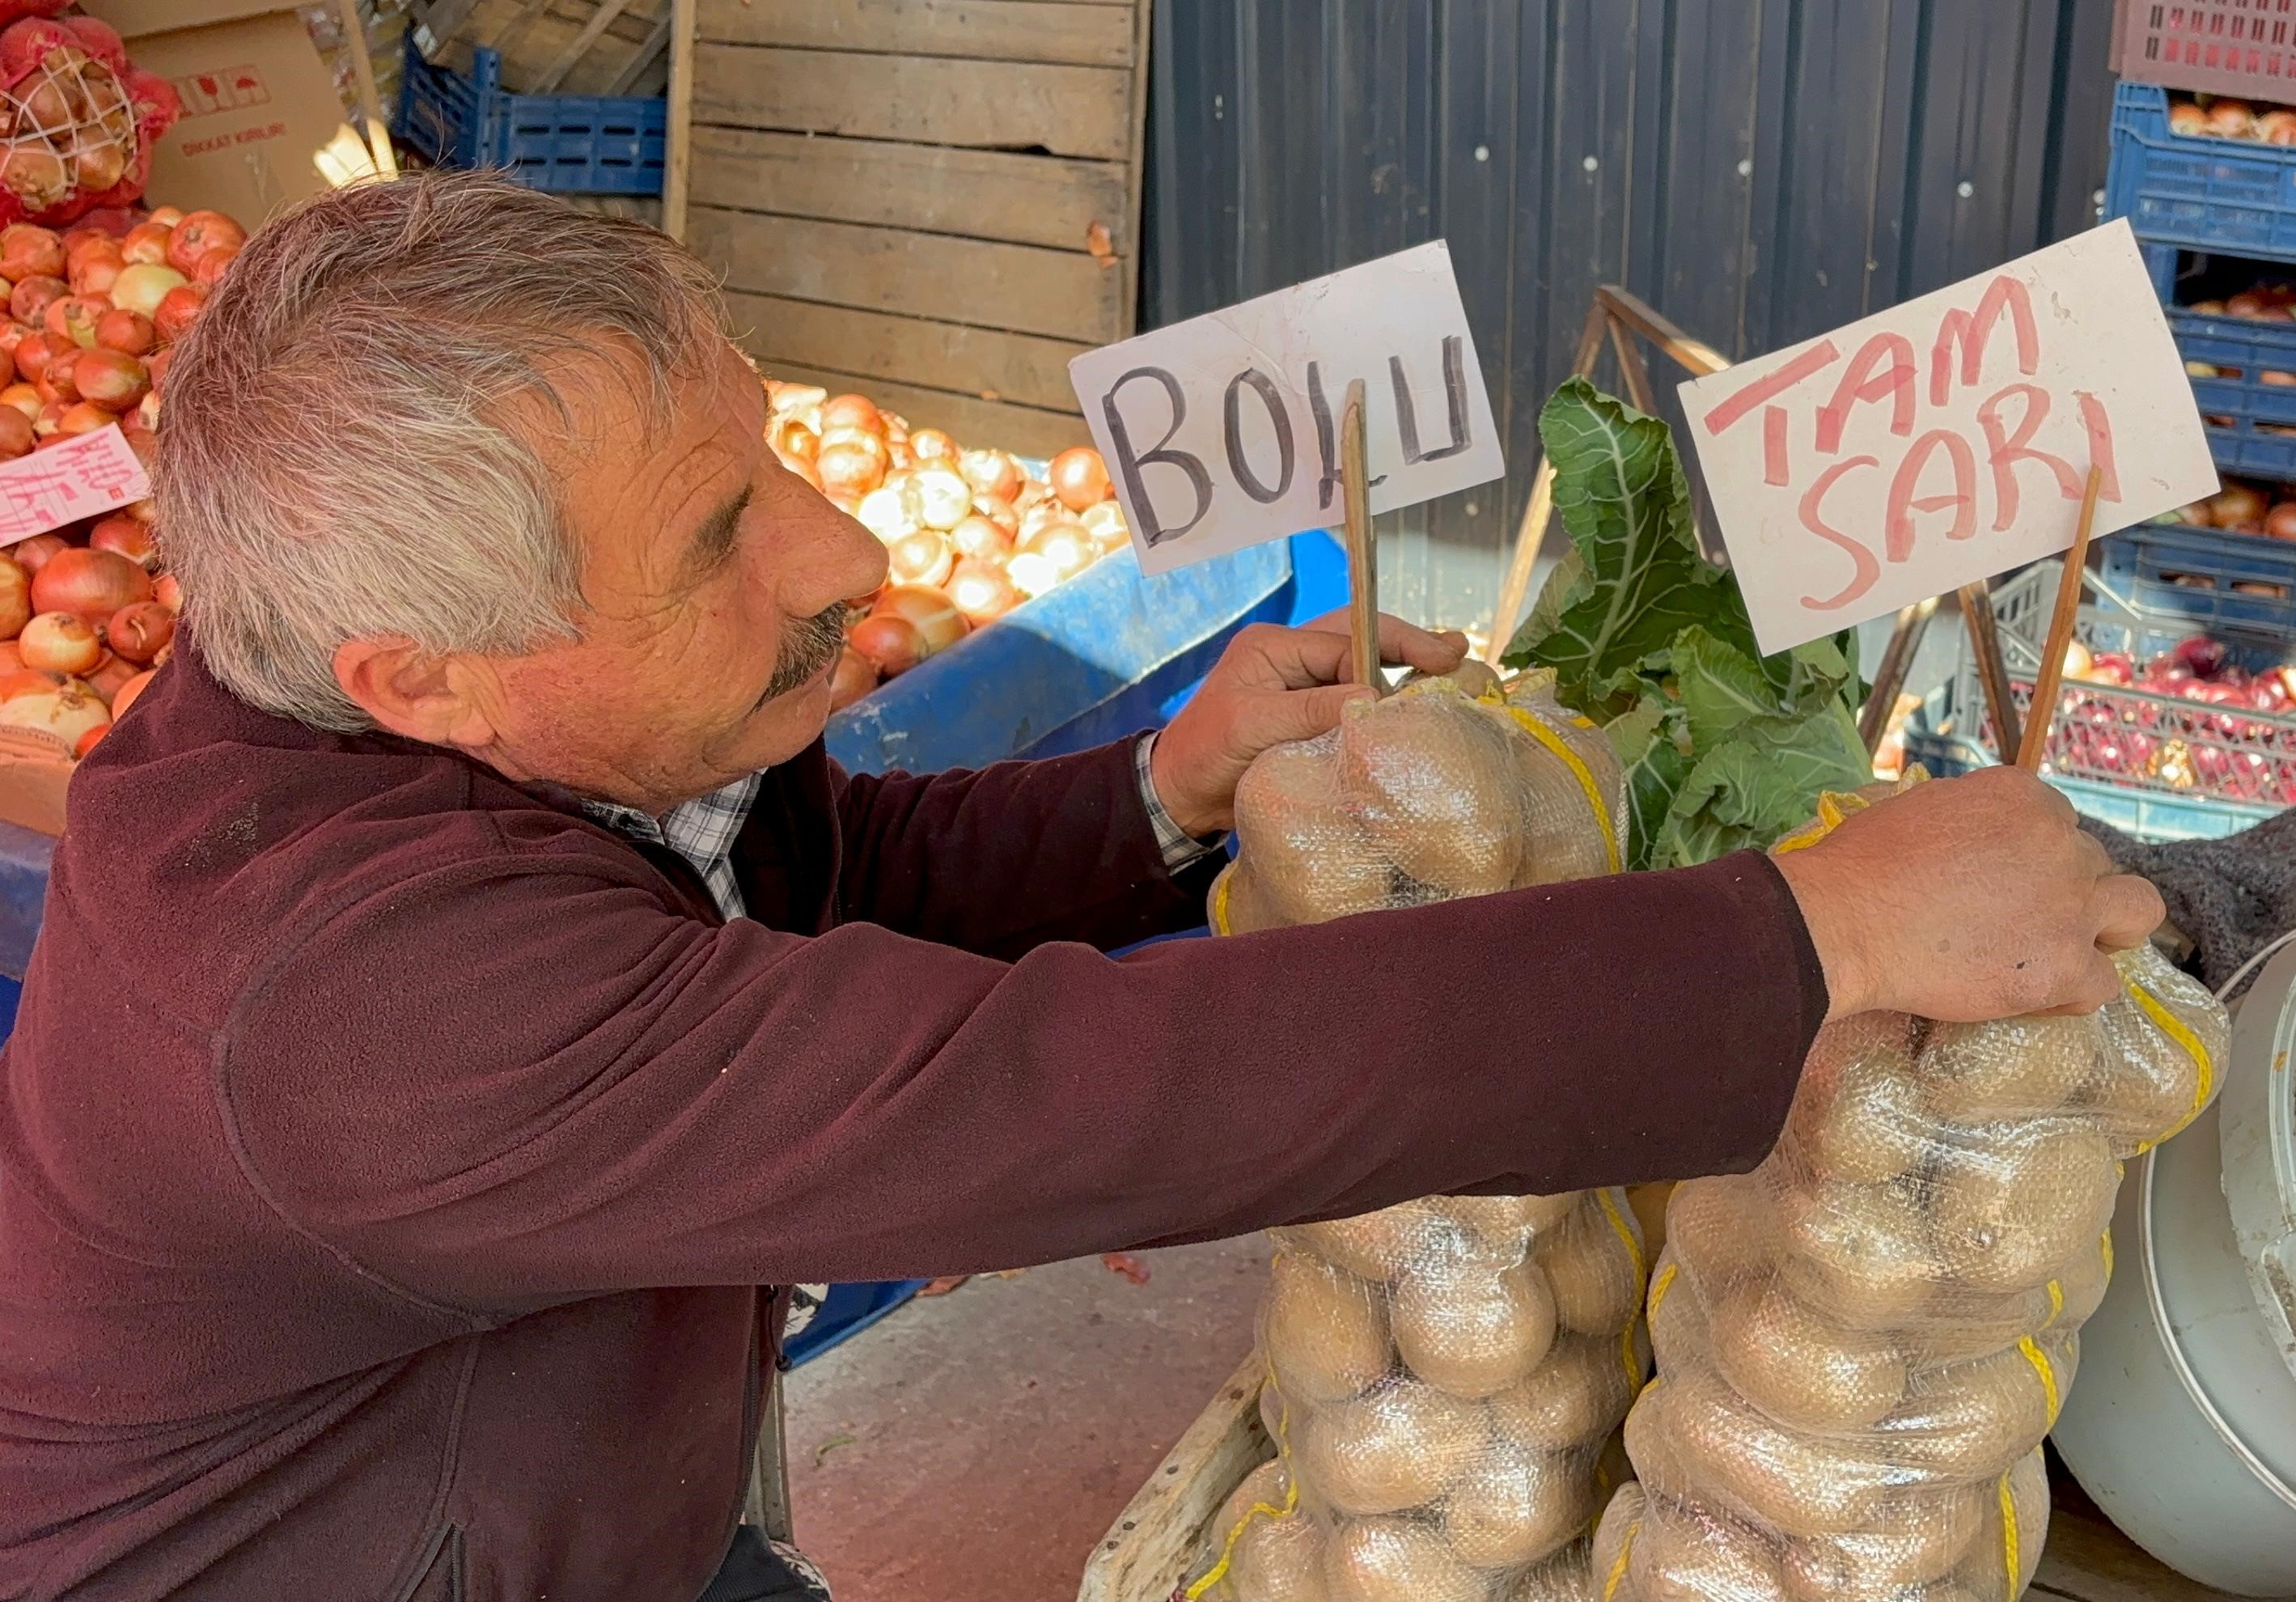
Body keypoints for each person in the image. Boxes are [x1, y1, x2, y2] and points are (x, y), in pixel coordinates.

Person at [0, 175, 2163, 1600]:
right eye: (716, 535)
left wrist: (1161, 785)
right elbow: (1044, 1101)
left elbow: (814, 897)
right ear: (426, 679)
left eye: (769, 461)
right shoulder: (343, 1004)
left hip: (556, 1511)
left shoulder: (497, 738)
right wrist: (1813, 938)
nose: (838, 552)